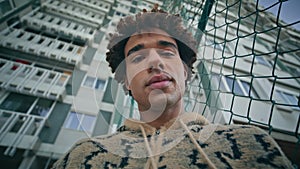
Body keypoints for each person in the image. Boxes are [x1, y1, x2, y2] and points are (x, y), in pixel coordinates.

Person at [52, 6, 293, 169]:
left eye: (167, 52)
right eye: (137, 58)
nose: (155, 62)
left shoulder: (250, 143)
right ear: (125, 81)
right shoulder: (82, 157)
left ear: (186, 72)